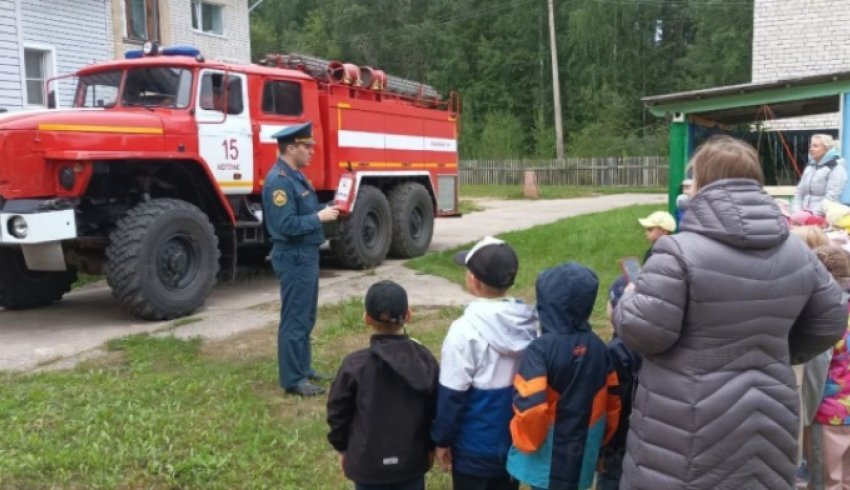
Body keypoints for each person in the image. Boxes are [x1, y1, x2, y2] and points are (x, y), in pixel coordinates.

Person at [613, 135, 848, 489]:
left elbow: (645, 332)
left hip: (688, 419)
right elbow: (831, 316)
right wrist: (777, 352)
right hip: (770, 412)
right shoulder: (797, 251)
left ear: (703, 182)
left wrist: (628, 300)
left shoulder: (677, 251)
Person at [431, 236, 538, 490]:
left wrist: (441, 440)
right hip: (515, 440)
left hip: (473, 450)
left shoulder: (463, 331)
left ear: (473, 280)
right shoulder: (530, 322)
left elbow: (451, 395)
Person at [506, 263, 620, 490]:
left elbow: (531, 408)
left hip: (545, 456)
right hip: (583, 453)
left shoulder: (540, 349)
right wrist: (601, 442)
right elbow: (613, 403)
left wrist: (525, 442)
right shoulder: (599, 347)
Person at [326, 280, 439, 490]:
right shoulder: (424, 360)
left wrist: (342, 448)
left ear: (366, 318)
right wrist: (432, 446)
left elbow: (338, 412)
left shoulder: (354, 365)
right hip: (411, 462)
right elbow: (436, 409)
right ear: (408, 315)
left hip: (368, 465)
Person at [261, 121, 340, 397]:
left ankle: (303, 368)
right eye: (307, 147)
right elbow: (285, 226)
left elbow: (304, 209)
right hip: (293, 256)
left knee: (305, 316)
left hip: (305, 254)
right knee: (294, 317)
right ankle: (293, 380)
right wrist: (318, 217)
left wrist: (327, 208)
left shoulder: (296, 176)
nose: (312, 151)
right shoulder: (279, 182)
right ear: (291, 148)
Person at [806, 246, 850, 490]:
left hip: (828, 411)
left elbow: (817, 366)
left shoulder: (827, 315)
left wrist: (806, 411)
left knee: (826, 480)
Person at [596, 275, 641, 490]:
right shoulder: (652, 343)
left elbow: (613, 407)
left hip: (618, 446)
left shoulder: (615, 352)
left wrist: (602, 449)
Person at [791, 134, 848, 225]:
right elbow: (799, 192)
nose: (811, 149)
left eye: (815, 146)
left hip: (821, 219)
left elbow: (831, 197)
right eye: (811, 146)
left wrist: (812, 215)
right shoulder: (810, 167)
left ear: (826, 148)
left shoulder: (836, 167)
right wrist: (796, 212)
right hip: (802, 218)